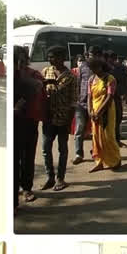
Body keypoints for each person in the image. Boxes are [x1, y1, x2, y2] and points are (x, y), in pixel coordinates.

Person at [40, 46, 77, 192]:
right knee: (45, 148)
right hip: (48, 118)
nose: (50, 59)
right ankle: (50, 177)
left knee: (63, 149)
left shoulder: (71, 77)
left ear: (62, 58)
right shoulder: (45, 72)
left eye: (53, 57)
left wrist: (70, 120)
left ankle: (60, 178)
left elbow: (74, 101)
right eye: (49, 57)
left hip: (63, 118)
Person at [14, 46, 44, 205]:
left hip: (29, 121)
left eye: (21, 60)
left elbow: (38, 87)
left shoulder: (33, 75)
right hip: (15, 123)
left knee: (27, 157)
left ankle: (27, 188)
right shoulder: (13, 75)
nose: (19, 63)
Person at [87, 58, 121, 173]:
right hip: (94, 112)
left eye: (95, 68)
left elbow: (109, 97)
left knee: (108, 137)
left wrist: (99, 112)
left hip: (107, 111)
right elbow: (89, 97)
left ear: (101, 66)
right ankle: (99, 162)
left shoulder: (110, 79)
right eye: (92, 69)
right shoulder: (91, 79)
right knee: (96, 137)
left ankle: (115, 160)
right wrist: (90, 110)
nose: (94, 71)